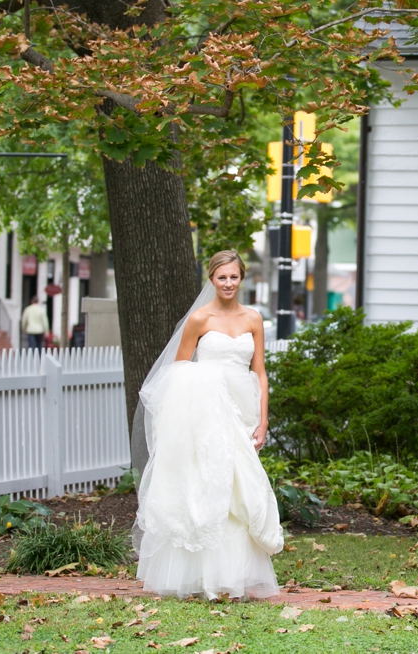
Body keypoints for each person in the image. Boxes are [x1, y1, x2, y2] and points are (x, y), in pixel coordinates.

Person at [133, 250, 283, 600]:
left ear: (241, 278)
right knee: (209, 485)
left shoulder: (253, 319)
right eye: (221, 277)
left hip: (241, 409)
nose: (228, 283)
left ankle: (234, 575)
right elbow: (178, 370)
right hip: (206, 413)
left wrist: (263, 419)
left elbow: (259, 371)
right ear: (212, 279)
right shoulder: (200, 319)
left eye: (233, 277)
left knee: (239, 486)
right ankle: (201, 577)